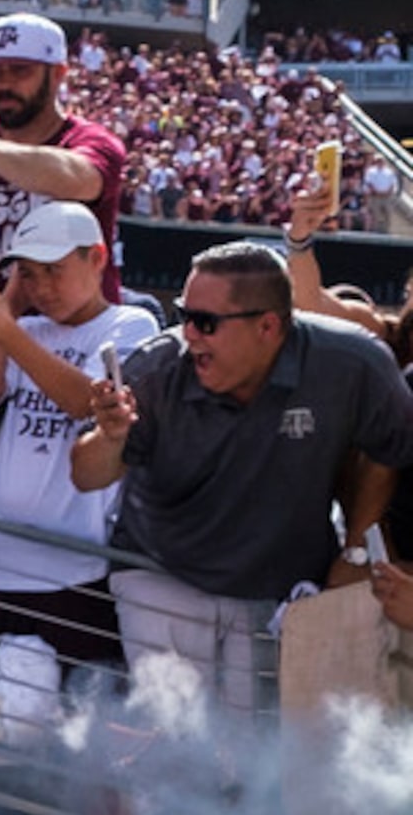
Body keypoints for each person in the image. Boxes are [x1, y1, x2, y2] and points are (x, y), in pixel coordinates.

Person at [73, 242, 413, 712]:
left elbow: (388, 449)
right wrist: (108, 437)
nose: (188, 333)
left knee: (253, 746)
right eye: (182, 313)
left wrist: (357, 544)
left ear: (268, 326)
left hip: (276, 582)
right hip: (161, 571)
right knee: (176, 738)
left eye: (205, 321)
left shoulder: (354, 362)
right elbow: (86, 476)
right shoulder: (156, 367)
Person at [0, 198, 163, 694]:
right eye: (28, 273)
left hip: (76, 568)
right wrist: (7, 307)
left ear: (97, 258)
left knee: (74, 724)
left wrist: (3, 327)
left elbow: (83, 402)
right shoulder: (23, 328)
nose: (41, 288)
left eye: (53, 270)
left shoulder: (131, 325)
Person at [0, 12, 130, 297]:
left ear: (58, 74)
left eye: (21, 70)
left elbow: (81, 179)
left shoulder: (92, 140)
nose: (5, 84)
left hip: (79, 335)